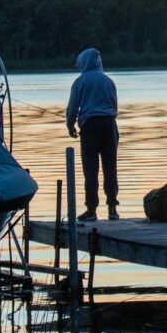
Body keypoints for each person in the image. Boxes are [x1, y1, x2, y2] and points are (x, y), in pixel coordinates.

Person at [66, 48, 120, 221]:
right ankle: (112, 208)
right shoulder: (109, 81)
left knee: (91, 169)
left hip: (90, 127)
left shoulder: (80, 81)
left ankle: (91, 209)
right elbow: (115, 106)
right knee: (110, 167)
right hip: (110, 125)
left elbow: (73, 107)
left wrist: (70, 124)